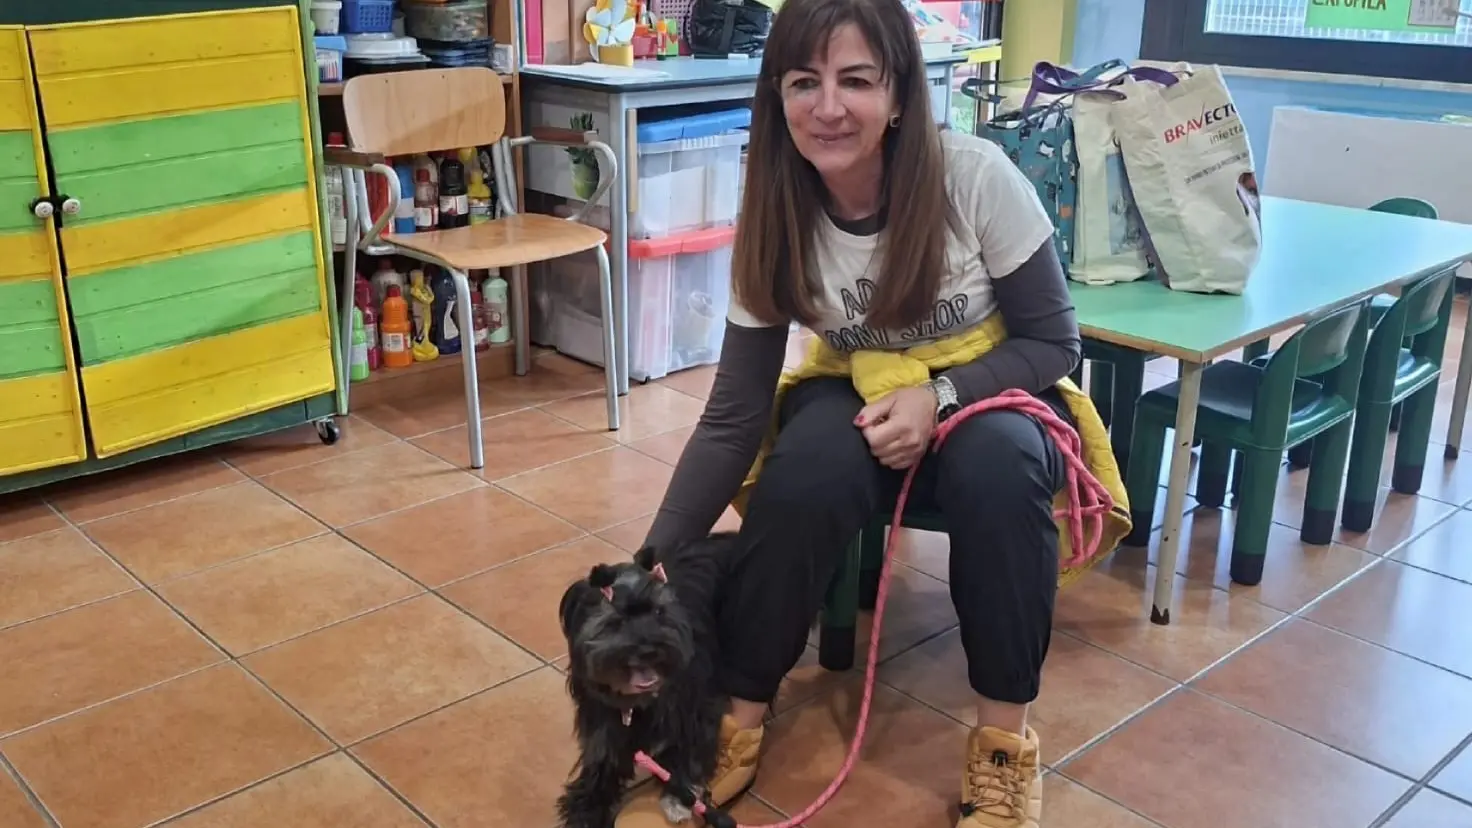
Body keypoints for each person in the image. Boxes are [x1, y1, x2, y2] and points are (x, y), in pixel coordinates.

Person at [615, 0, 1116, 824]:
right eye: (803, 82)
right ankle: (738, 716)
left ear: (898, 95)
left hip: (987, 384)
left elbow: (1055, 343)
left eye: (855, 81)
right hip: (855, 382)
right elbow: (734, 414)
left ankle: (1004, 746)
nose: (828, 107)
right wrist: (648, 564)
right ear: (776, 96)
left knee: (1000, 467)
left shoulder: (974, 177)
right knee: (803, 469)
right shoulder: (774, 212)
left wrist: (940, 397)